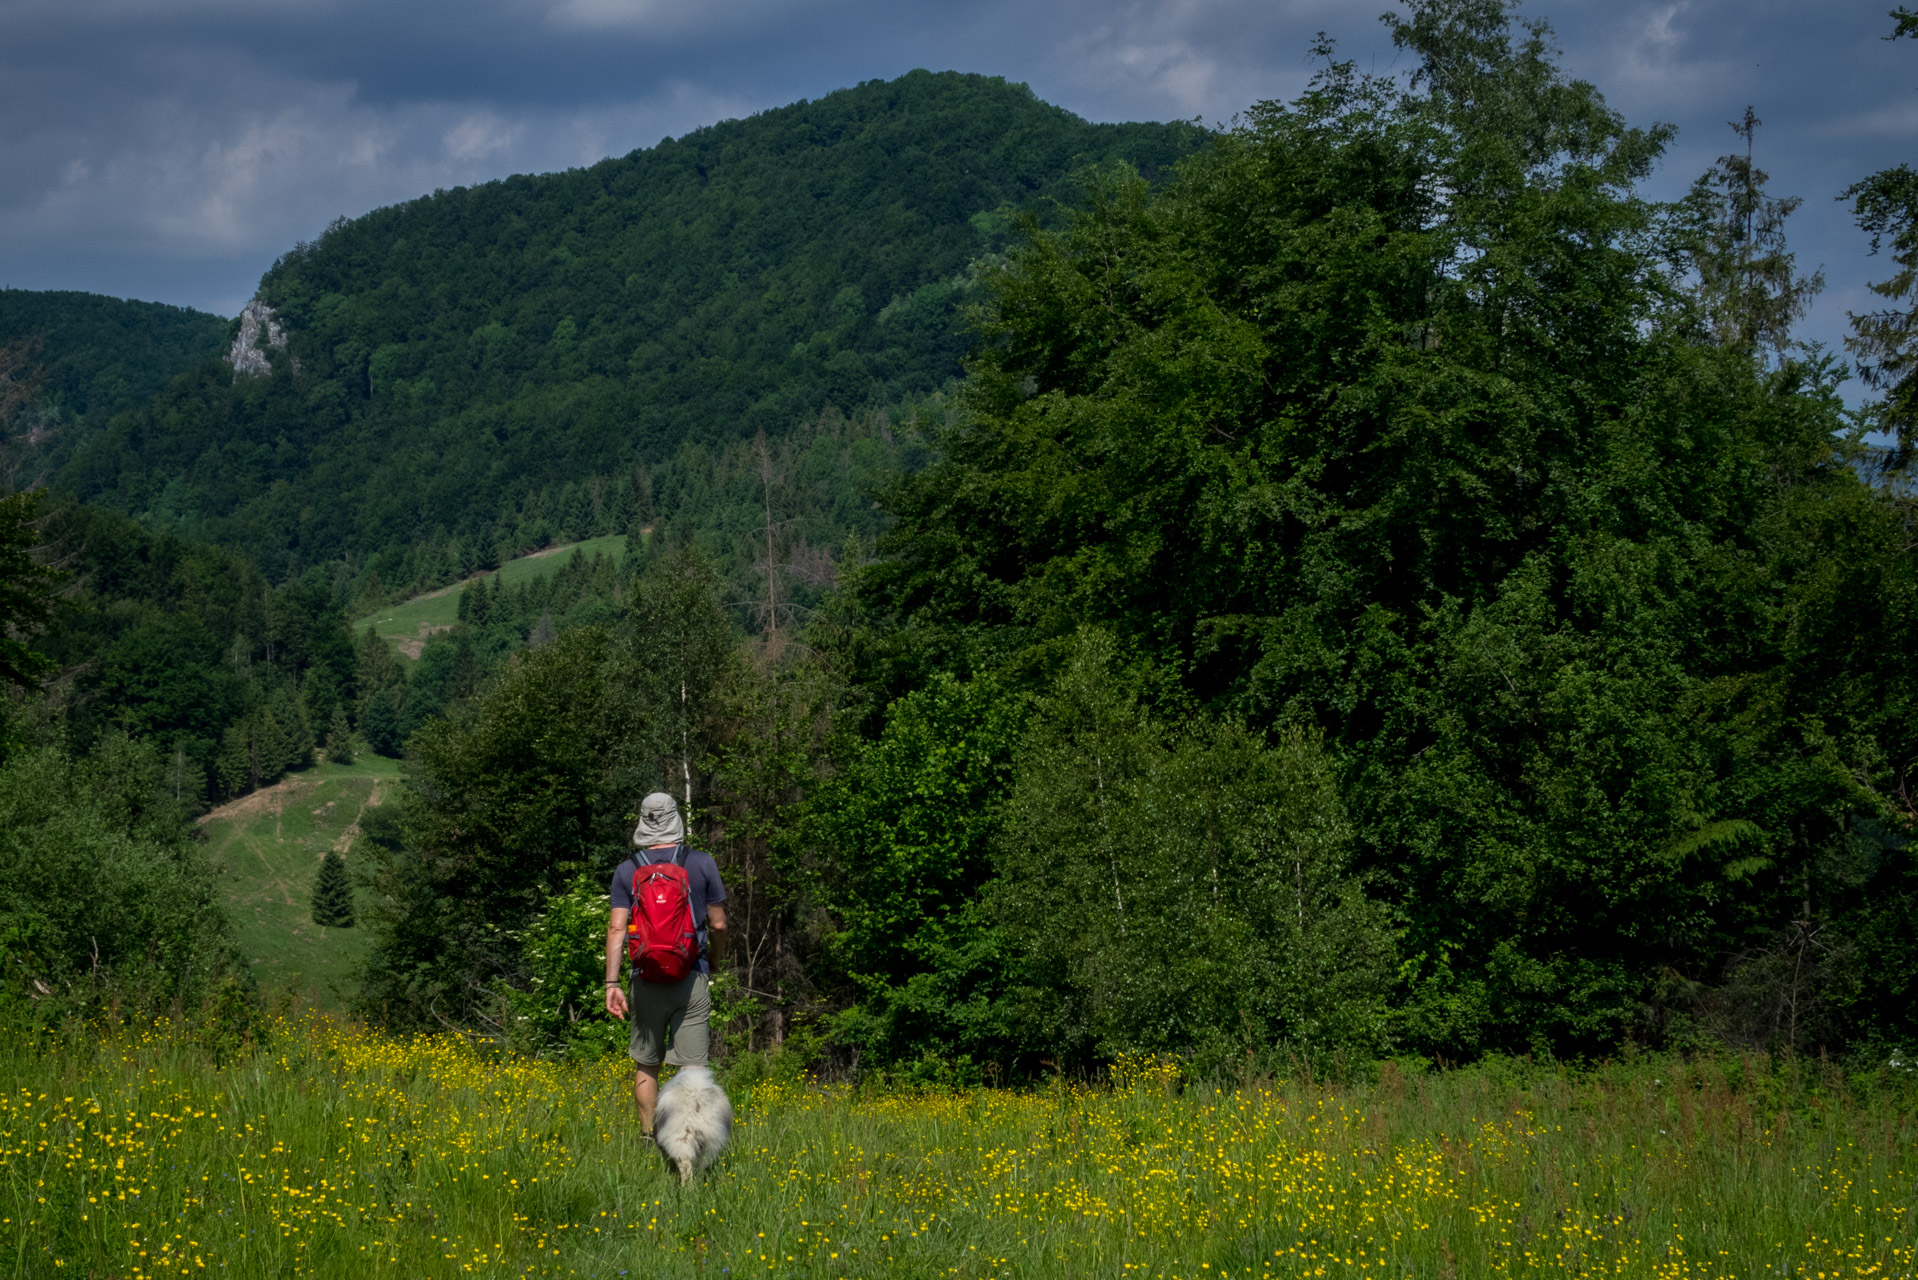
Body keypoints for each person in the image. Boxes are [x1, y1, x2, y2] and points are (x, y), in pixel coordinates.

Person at [604, 791, 728, 1137]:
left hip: (645, 980)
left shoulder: (628, 870)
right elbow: (718, 924)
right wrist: (714, 960)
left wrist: (611, 985)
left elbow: (617, 928)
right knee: (692, 1067)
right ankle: (688, 1145)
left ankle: (648, 1139)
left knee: (647, 1063)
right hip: (691, 975)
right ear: (677, 819)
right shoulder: (702, 862)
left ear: (642, 821)